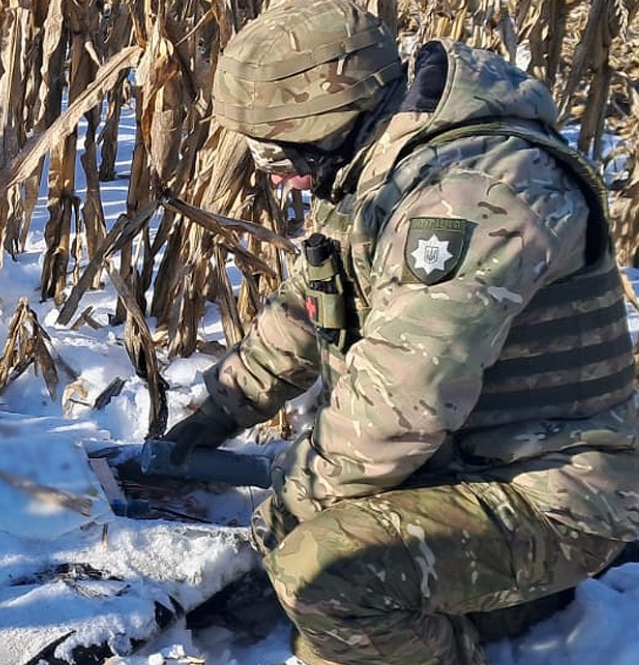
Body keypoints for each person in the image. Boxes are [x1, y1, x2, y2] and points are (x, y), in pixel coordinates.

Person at [162, 1, 639, 664]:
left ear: (330, 117)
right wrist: (212, 415)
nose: (272, 169)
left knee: (321, 576)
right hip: (466, 469)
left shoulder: (473, 196)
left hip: (556, 499)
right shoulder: (381, 161)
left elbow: (398, 404)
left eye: (277, 146)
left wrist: (284, 520)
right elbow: (309, 306)